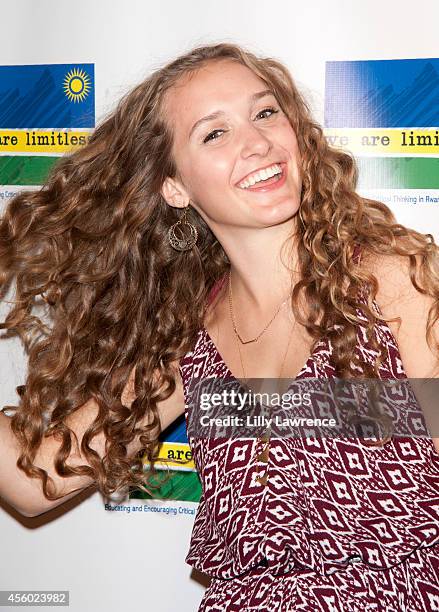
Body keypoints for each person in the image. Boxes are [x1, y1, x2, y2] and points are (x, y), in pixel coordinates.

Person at [0, 42, 438, 610]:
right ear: (173, 186)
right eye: (215, 133)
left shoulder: (398, 286)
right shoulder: (188, 341)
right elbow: (36, 482)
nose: (257, 143)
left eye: (265, 112)